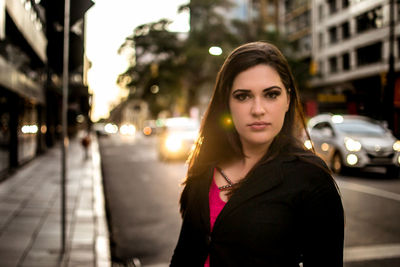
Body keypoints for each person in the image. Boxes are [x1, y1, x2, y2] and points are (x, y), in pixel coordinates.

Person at [169, 41, 344, 267]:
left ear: (288, 100)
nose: (258, 109)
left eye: (271, 94)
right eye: (243, 96)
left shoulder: (310, 178)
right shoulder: (205, 170)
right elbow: (184, 255)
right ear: (227, 104)